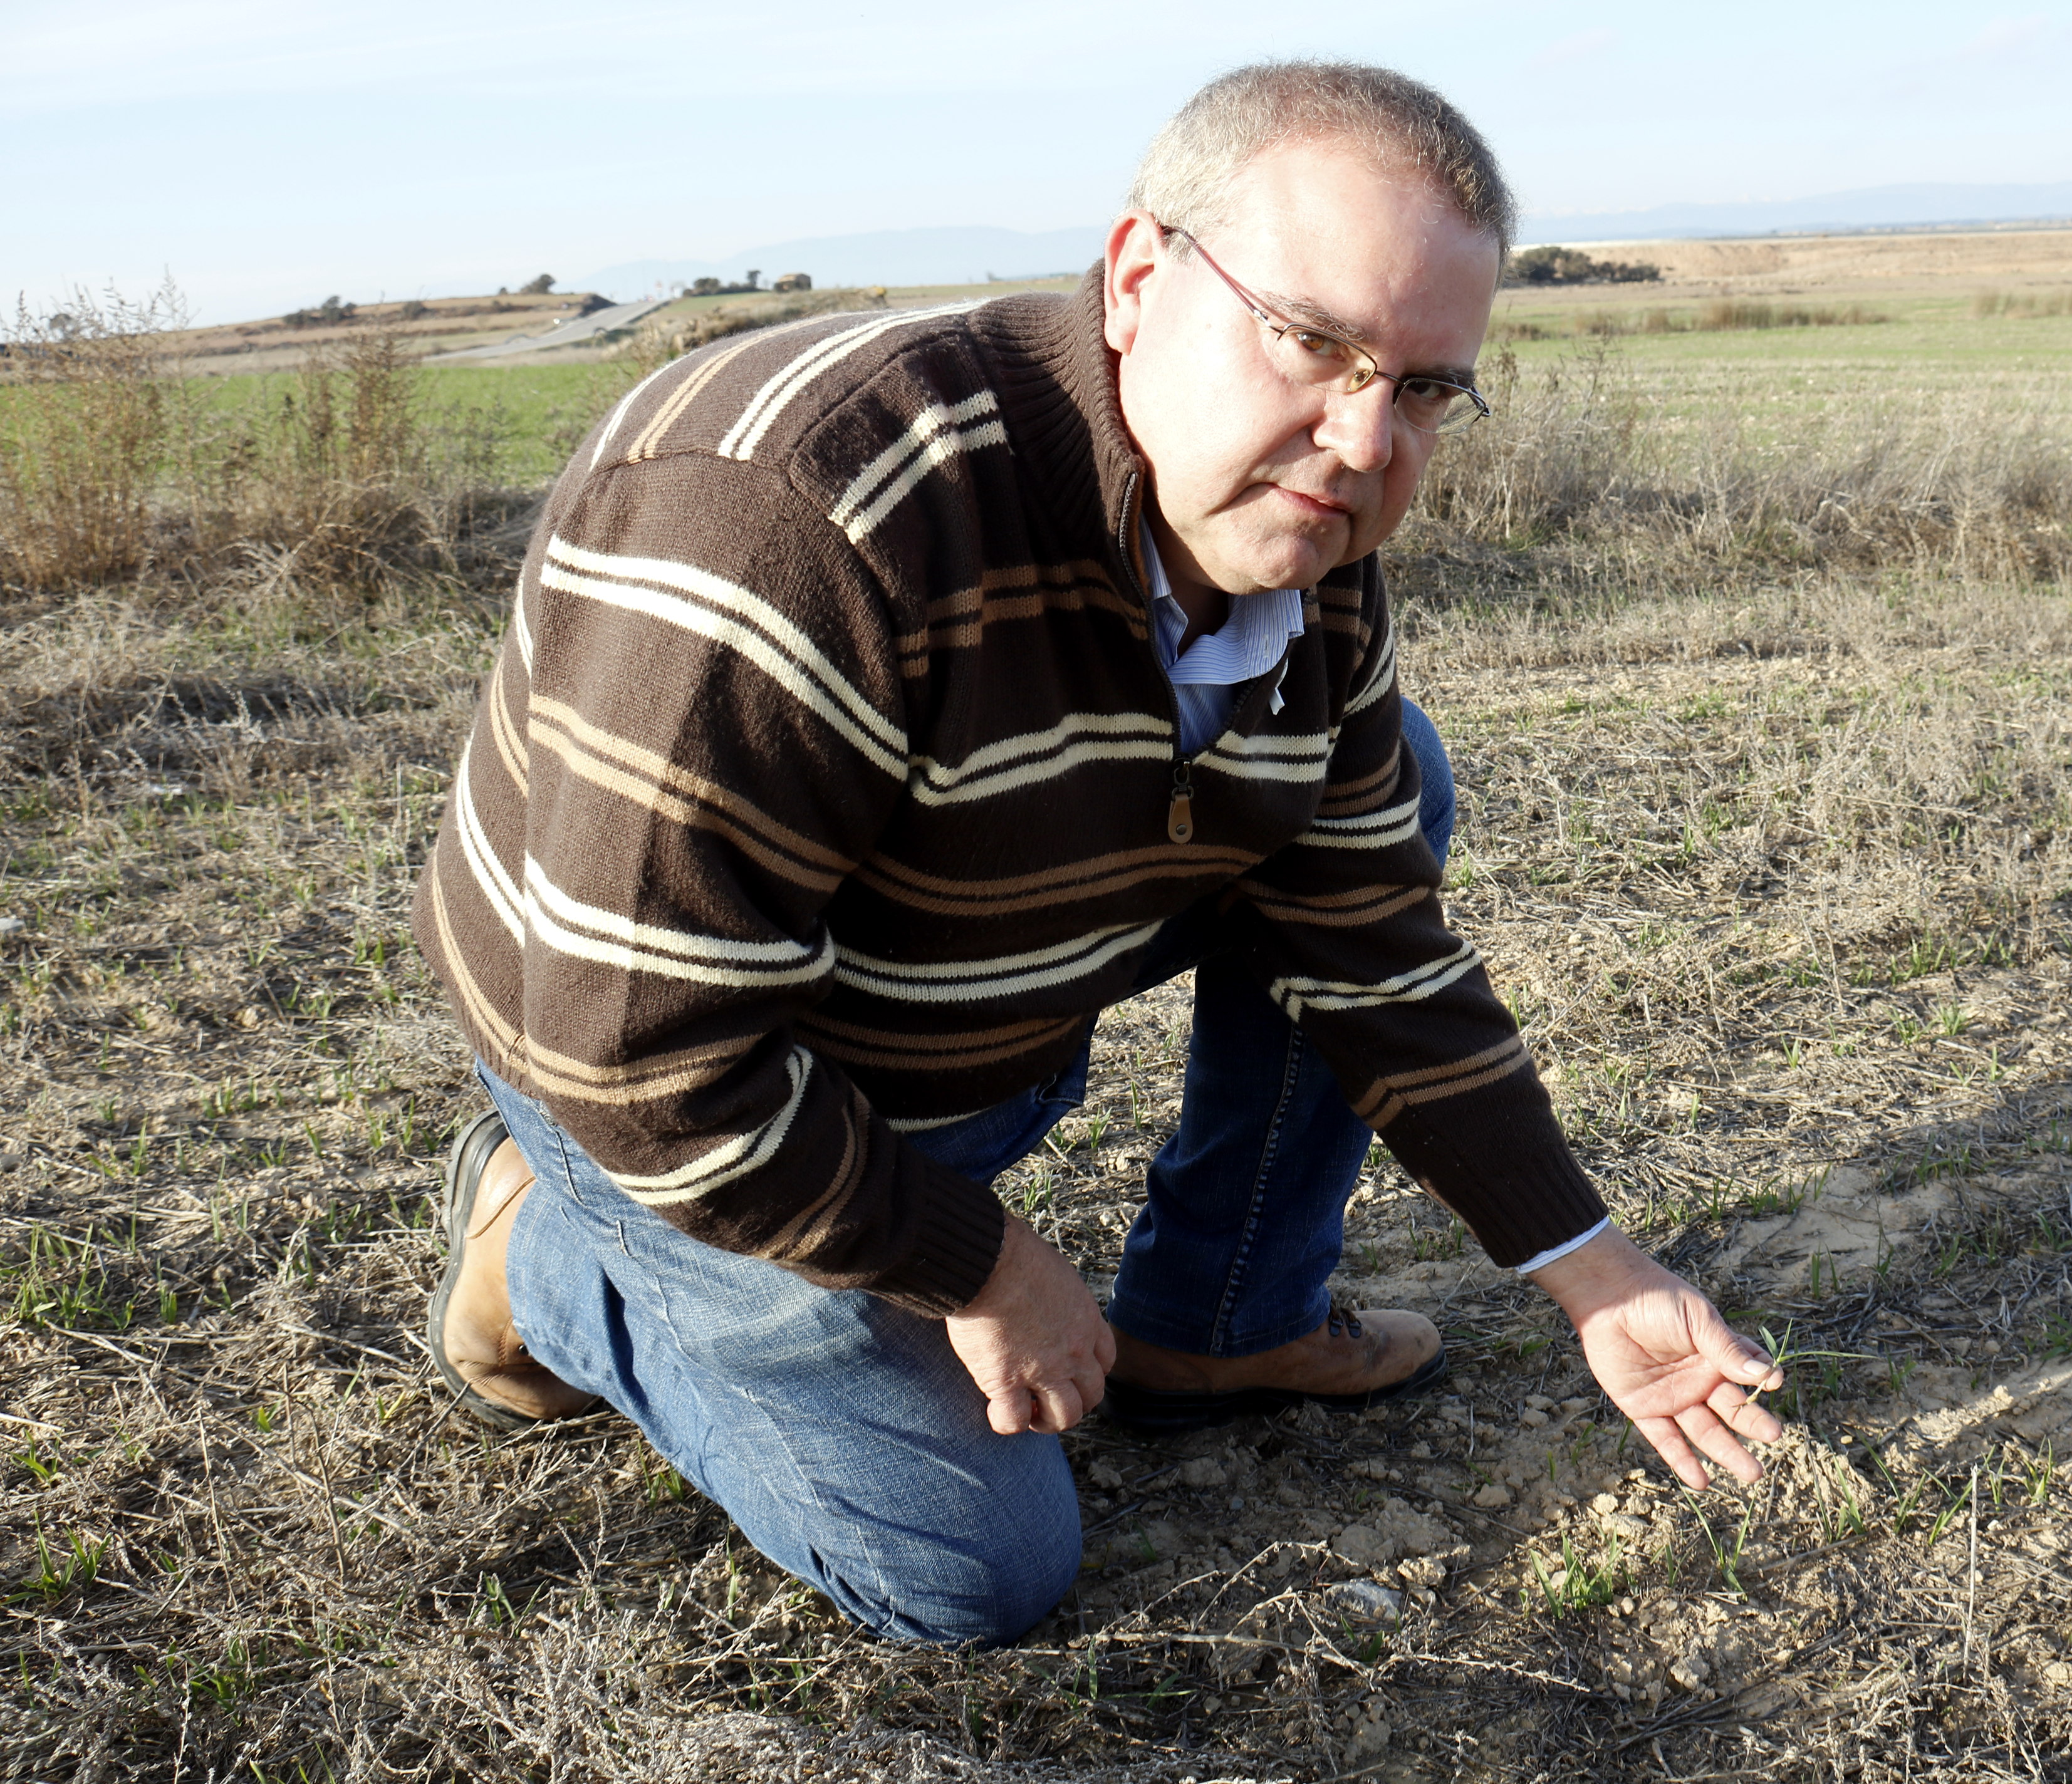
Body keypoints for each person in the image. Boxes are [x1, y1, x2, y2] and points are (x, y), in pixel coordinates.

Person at [413, 61, 1783, 1647]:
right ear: (1141, 277)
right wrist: (977, 1259)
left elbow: (1370, 936)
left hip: (929, 1000)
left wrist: (1593, 1267)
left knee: (1382, 781)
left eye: (1421, 386)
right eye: (1316, 341)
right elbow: (645, 1046)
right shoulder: (808, 519)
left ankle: (1220, 1325)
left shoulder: (1299, 539)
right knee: (970, 1569)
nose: (1361, 439)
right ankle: (546, 1245)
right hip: (656, 1065)